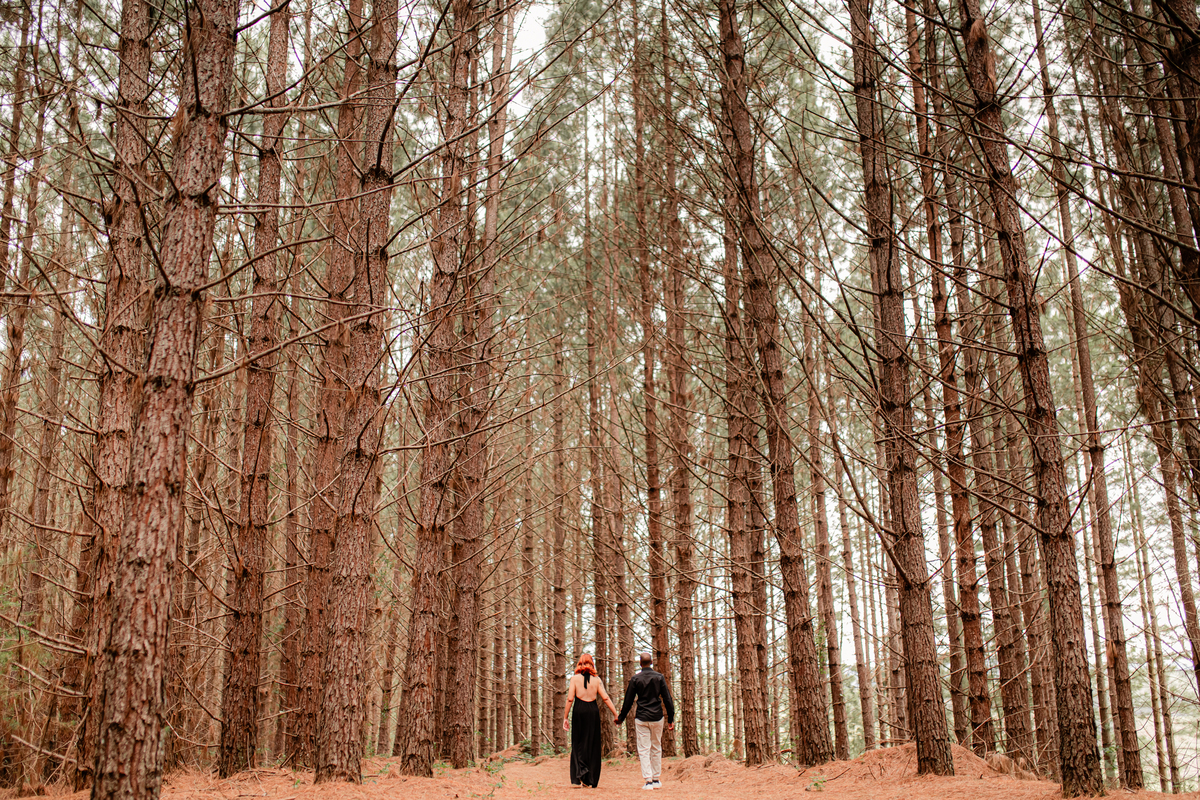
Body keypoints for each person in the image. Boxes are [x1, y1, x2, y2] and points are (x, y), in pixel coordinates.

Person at [614, 652, 675, 790]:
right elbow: (667, 699)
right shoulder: (659, 677)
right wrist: (670, 719)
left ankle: (648, 781)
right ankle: (656, 779)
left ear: (640, 664)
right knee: (656, 747)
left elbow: (628, 701)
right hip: (657, 717)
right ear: (651, 662)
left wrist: (620, 718)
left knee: (644, 749)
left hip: (641, 717)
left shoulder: (636, 679)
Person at [563, 653, 618, 788]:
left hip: (579, 710)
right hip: (592, 711)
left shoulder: (574, 679)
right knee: (592, 742)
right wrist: (616, 714)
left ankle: (581, 773)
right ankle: (590, 778)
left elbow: (570, 699)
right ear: (592, 664)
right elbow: (605, 698)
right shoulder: (596, 679)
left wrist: (565, 717)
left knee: (579, 742)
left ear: (579, 664)